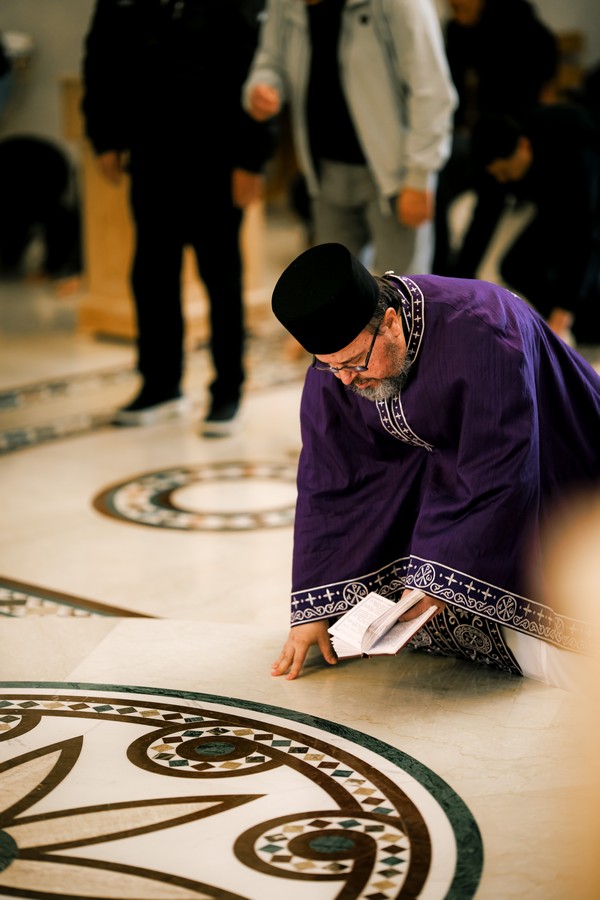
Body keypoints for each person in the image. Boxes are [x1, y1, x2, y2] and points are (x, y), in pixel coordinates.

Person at [269, 242, 600, 686]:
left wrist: (438, 576)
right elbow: (329, 479)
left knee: (563, 636)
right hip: (450, 474)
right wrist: (312, 610)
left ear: (390, 322)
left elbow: (499, 471)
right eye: (330, 367)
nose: (346, 379)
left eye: (354, 364)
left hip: (554, 453)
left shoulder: (484, 332)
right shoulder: (340, 363)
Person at [81, 0, 277, 434]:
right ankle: (160, 384)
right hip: (150, 150)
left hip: (217, 152)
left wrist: (252, 157)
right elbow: (101, 56)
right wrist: (104, 136)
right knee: (151, 273)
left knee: (221, 275)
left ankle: (228, 389)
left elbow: (262, 66)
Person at [243, 0, 457, 275]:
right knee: (336, 290)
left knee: (405, 290)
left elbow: (432, 90)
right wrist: (262, 86)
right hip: (325, 174)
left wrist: (419, 176)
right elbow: (270, 59)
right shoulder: (285, 4)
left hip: (395, 177)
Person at [432, 0, 559, 275]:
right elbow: (451, 78)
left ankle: (461, 279)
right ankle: (446, 273)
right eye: (451, 7)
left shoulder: (515, 16)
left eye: (459, 6)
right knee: (442, 184)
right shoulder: (458, 29)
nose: (455, 12)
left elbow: (546, 53)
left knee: (488, 204)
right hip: (481, 132)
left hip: (513, 131)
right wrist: (456, 123)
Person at [463, 104, 600, 344]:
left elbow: (584, 234)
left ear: (524, 147)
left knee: (576, 266)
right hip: (552, 197)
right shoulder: (498, 156)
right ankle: (561, 326)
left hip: (586, 194)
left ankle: (580, 324)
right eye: (496, 175)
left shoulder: (572, 153)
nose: (501, 180)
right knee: (518, 266)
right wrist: (456, 290)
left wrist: (564, 308)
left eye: (505, 172)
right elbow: (481, 225)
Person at [0, 135, 82, 283]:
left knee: (51, 218)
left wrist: (50, 269)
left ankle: (52, 267)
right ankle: (49, 266)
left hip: (43, 170)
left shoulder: (38, 206)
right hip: (38, 169)